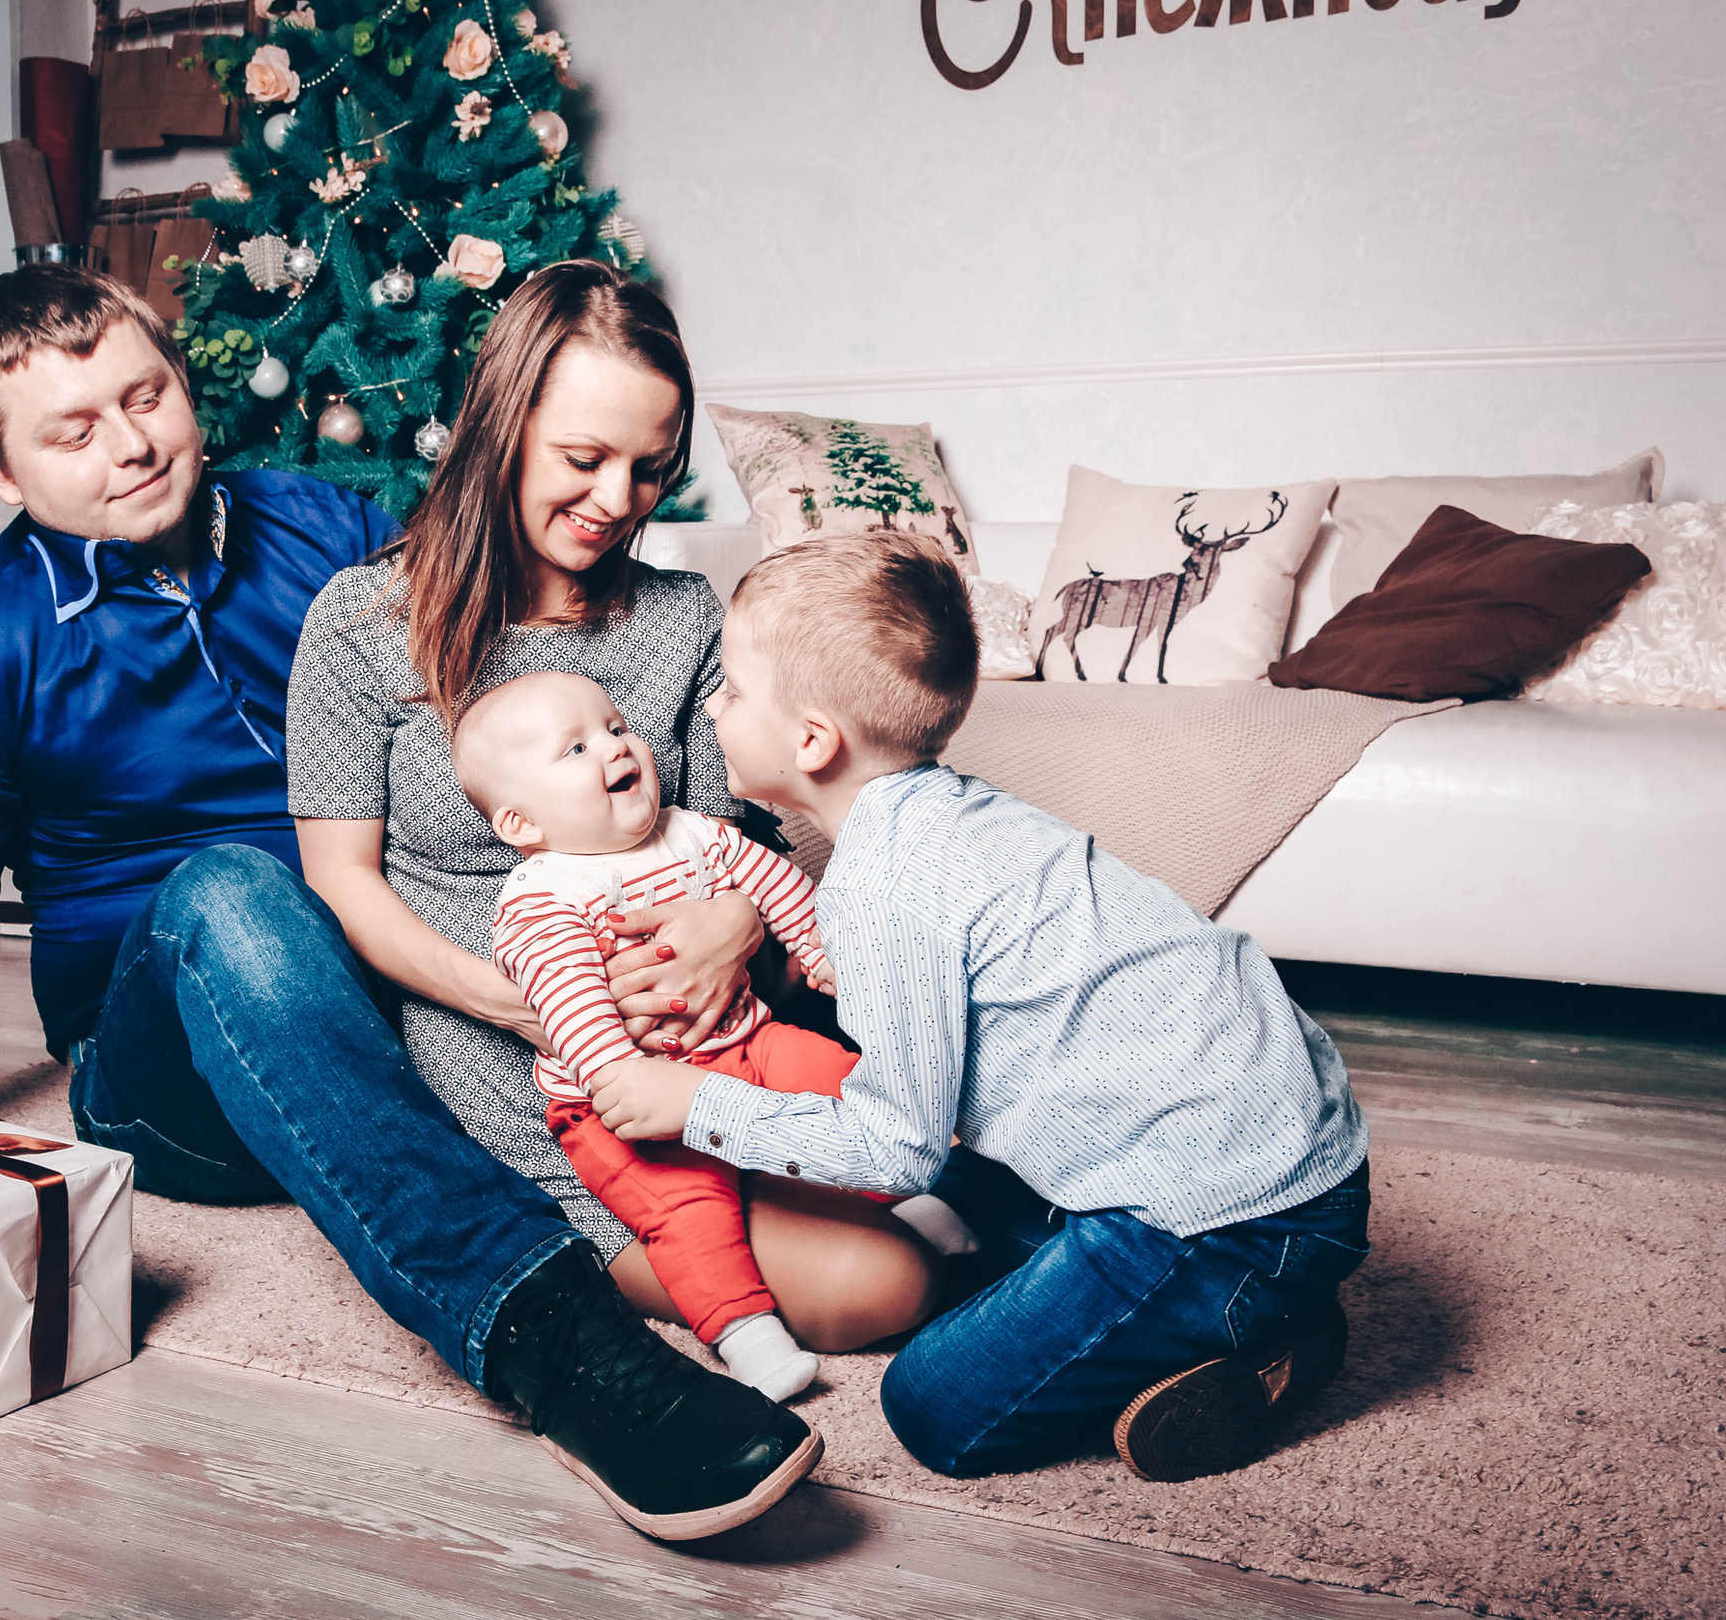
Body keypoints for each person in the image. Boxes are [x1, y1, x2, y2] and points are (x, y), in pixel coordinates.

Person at [0, 264, 818, 1542]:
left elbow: (486, 660)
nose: (130, 446)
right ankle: (554, 1347)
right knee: (232, 893)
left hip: (376, 1017)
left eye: (145, 396)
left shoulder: (325, 532)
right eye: (73, 432)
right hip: (174, 1065)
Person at [588, 529, 1373, 1482]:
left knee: (934, 1406)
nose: (714, 707)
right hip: (1275, 1142)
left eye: (736, 690)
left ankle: (1260, 1322)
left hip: (1230, 1213)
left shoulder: (882, 885)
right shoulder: (946, 815)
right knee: (941, 1207)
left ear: (812, 740)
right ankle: (1219, 1292)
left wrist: (697, 1106)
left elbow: (894, 1143)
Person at [285, 262, 938, 1405]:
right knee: (883, 1288)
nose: (616, 497)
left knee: (944, 1163)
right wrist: (516, 1000)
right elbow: (340, 883)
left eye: (648, 467)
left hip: (720, 1037)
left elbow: (741, 838)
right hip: (531, 1078)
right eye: (582, 460)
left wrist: (730, 929)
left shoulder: (684, 619)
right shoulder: (358, 625)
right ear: (502, 426)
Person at [460, 669, 965, 1402]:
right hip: (622, 1103)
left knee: (842, 1078)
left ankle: (908, 1190)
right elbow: (567, 1001)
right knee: (687, 1210)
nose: (613, 746)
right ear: (521, 824)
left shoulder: (690, 832)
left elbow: (779, 888)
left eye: (614, 725)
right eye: (575, 748)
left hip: (746, 1040)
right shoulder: (543, 895)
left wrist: (828, 959)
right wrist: (622, 1079)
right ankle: (742, 1329)